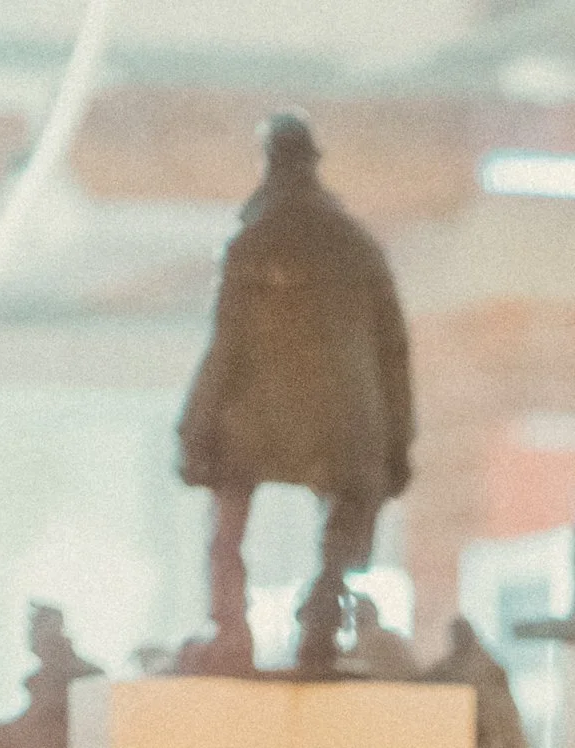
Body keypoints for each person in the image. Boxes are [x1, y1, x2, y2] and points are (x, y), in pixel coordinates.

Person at [175, 114, 414, 678]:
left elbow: (227, 347)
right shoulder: (358, 247)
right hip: (349, 425)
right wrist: (397, 447)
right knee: (344, 520)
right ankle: (322, 629)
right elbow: (394, 358)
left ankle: (232, 631)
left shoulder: (254, 242)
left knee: (227, 521)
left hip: (258, 422)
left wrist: (194, 430)